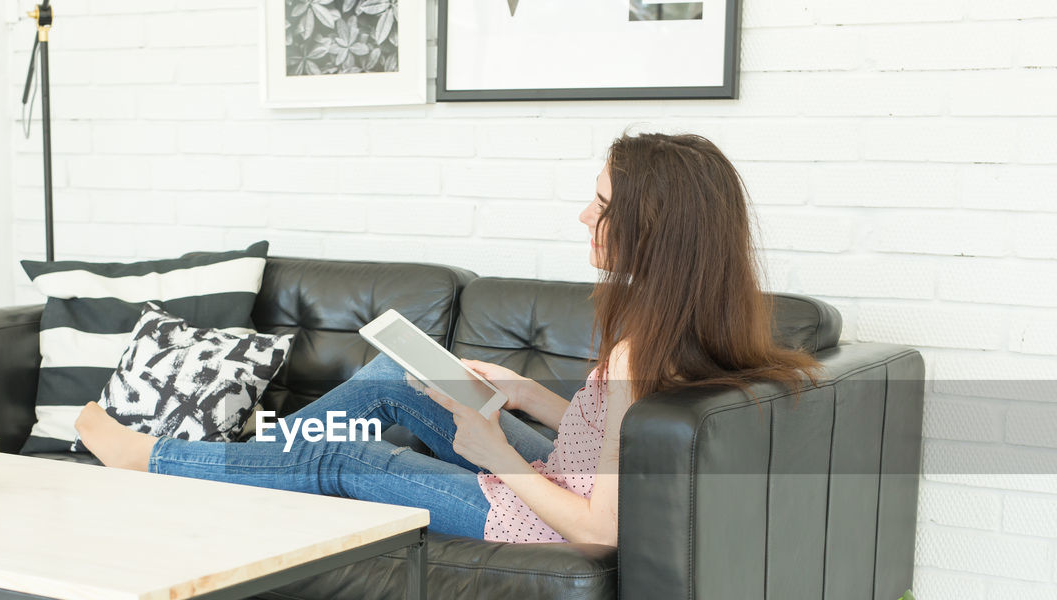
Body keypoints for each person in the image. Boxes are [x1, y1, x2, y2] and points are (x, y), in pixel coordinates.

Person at [76, 132, 821, 546]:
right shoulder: (690, 323)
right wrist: (531, 396)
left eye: (600, 206)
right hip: (562, 479)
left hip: (544, 519)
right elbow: (636, 439)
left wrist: (498, 452)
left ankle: (161, 459)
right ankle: (227, 466)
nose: (584, 218)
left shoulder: (641, 347)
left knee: (351, 457)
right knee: (404, 378)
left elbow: (600, 531)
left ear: (656, 228)